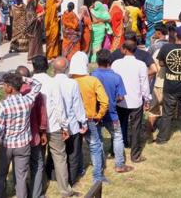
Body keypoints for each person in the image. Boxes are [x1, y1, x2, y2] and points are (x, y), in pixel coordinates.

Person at [31, 56, 77, 197]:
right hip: (54, 126)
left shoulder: (30, 83)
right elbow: (59, 107)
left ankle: (37, 188)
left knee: (37, 159)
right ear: (48, 66)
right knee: (59, 158)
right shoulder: (52, 83)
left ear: (33, 67)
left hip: (36, 128)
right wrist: (64, 126)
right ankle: (65, 190)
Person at [0, 73, 42, 198]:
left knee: (1, 175)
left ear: (10, 88)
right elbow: (38, 84)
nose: (3, 87)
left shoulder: (4, 105)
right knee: (21, 177)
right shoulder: (27, 100)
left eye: (4, 85)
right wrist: (23, 79)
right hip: (23, 145)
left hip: (6, 146)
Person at [69, 51, 109, 183]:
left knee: (77, 147)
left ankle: (79, 170)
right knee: (95, 146)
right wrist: (99, 115)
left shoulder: (69, 81)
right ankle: (97, 176)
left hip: (72, 121)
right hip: (90, 119)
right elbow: (104, 101)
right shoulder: (92, 80)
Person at [91, 50, 134, 173]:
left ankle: (98, 166)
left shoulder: (92, 76)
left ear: (97, 61)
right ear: (110, 62)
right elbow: (121, 97)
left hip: (96, 114)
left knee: (97, 139)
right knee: (117, 137)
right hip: (112, 113)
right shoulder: (116, 77)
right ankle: (119, 164)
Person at [111, 40, 151, 163]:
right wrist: (147, 99)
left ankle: (115, 151)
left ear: (124, 49)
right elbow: (145, 84)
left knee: (118, 127)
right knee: (135, 128)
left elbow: (113, 81)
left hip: (119, 100)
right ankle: (135, 156)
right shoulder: (141, 64)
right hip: (136, 101)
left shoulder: (116, 63)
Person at [52, 57, 87, 185]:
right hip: (71, 124)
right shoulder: (72, 83)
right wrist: (83, 122)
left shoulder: (51, 82)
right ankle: (71, 179)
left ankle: (54, 175)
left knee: (56, 154)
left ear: (54, 69)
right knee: (73, 154)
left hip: (55, 125)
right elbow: (77, 105)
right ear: (66, 69)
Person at [14, 65, 47, 198]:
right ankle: (37, 194)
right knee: (37, 164)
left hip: (18, 140)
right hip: (33, 136)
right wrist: (43, 131)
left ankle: (22, 192)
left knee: (19, 169)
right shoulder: (34, 92)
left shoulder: (12, 93)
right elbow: (41, 114)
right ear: (28, 77)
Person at [156, 25, 181, 146]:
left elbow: (161, 64)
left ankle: (162, 138)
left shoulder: (166, 47)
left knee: (167, 114)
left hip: (170, 87)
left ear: (176, 34)